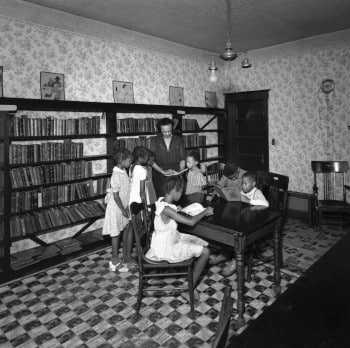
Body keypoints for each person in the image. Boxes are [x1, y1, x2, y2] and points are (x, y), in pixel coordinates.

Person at [145, 176, 213, 303]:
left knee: (196, 240)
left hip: (161, 242)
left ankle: (158, 276)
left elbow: (169, 209)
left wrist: (177, 209)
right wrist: (205, 211)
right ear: (174, 191)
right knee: (206, 252)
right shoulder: (167, 209)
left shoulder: (161, 201)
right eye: (180, 191)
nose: (181, 194)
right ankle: (188, 288)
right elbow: (191, 222)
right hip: (166, 248)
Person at [210, 162, 247, 276]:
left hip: (244, 209)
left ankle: (236, 259)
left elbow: (250, 195)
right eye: (229, 177)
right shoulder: (227, 174)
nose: (231, 178)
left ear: (238, 170)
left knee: (236, 230)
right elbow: (220, 186)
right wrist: (213, 195)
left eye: (233, 176)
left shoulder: (245, 175)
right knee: (220, 222)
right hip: (231, 207)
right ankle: (224, 253)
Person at [102, 148, 133, 272]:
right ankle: (114, 261)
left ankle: (122, 258)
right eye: (129, 160)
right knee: (115, 234)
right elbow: (115, 196)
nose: (131, 162)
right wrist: (123, 210)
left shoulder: (123, 170)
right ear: (121, 161)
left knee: (121, 231)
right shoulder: (116, 175)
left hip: (122, 207)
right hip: (115, 208)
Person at [150, 118, 186, 197]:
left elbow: (182, 158)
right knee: (163, 199)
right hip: (160, 175)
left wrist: (181, 170)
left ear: (172, 128)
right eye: (164, 131)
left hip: (176, 173)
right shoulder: (155, 141)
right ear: (160, 130)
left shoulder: (179, 140)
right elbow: (150, 160)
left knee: (177, 198)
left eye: (169, 131)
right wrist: (163, 171)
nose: (167, 133)